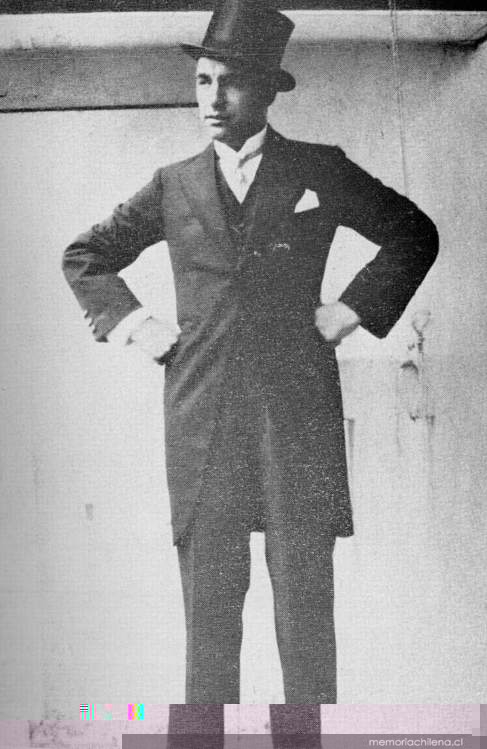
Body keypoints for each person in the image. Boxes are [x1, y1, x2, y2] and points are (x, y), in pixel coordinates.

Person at [62, 0, 438, 745]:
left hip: (297, 417)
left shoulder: (317, 168)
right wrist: (139, 326)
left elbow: (412, 233)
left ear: (265, 90)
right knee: (209, 616)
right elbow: (85, 256)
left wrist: (351, 309)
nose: (211, 98)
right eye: (203, 81)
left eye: (229, 82)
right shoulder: (172, 184)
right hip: (202, 422)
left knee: (305, 612)